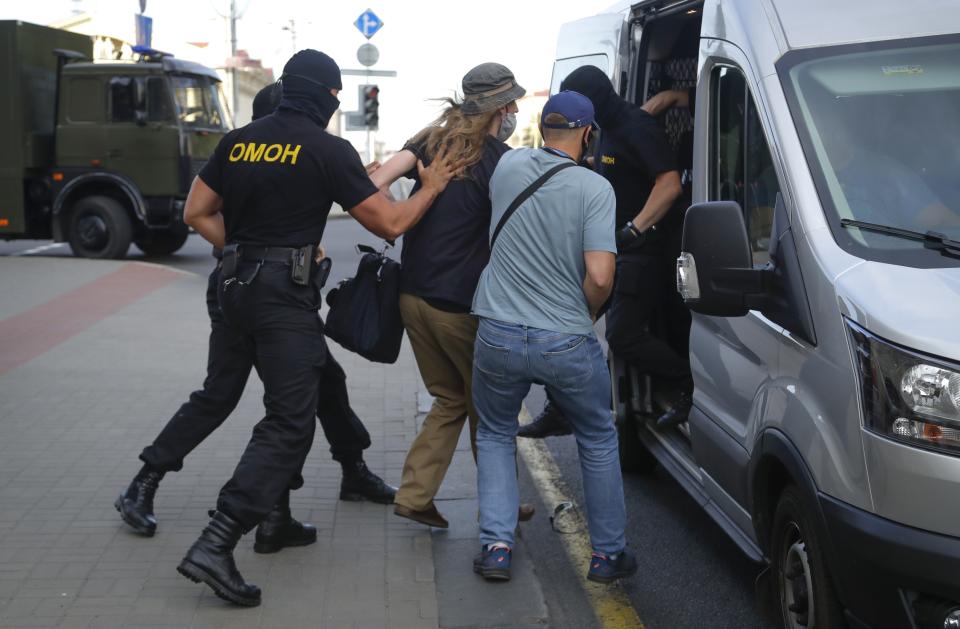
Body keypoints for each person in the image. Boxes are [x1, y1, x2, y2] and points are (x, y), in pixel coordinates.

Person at [174, 49, 460, 606]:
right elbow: (392, 222)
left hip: (234, 293)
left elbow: (197, 214)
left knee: (308, 390)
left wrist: (245, 251)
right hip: (283, 301)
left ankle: (276, 523)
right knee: (288, 420)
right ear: (329, 97)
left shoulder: (240, 140)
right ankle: (217, 541)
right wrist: (433, 186)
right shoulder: (328, 149)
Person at [115, 84, 396, 546]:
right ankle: (159, 486)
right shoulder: (259, 150)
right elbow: (206, 215)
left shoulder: (256, 149)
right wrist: (266, 255)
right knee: (266, 402)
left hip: (250, 290)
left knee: (321, 385)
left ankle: (344, 475)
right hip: (260, 294)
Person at [471, 91, 635, 583]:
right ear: (589, 134)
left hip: (497, 332)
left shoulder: (508, 167)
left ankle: (496, 546)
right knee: (598, 436)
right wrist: (582, 312)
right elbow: (601, 276)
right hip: (563, 338)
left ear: (543, 128)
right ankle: (607, 556)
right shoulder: (594, 189)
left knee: (496, 433)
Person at [369, 63, 535, 528]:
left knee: (449, 398)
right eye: (512, 104)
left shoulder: (427, 141)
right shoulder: (501, 162)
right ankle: (500, 504)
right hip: (460, 306)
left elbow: (372, 185)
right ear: (498, 109)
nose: (516, 112)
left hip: (413, 296)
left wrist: (412, 205)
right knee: (488, 405)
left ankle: (415, 495)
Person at [518, 66, 689, 439]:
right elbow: (621, 161)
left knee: (623, 335)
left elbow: (670, 183)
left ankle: (685, 383)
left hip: (641, 251)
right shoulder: (610, 125)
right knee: (564, 321)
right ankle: (560, 407)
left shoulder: (636, 127)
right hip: (611, 247)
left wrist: (634, 228)